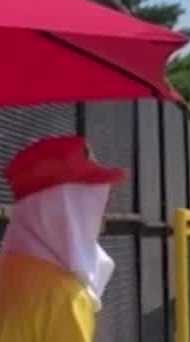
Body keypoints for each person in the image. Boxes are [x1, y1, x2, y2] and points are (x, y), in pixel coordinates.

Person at [0, 136, 125, 342]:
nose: (102, 215)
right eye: (92, 202)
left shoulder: (7, 267)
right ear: (66, 209)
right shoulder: (66, 298)